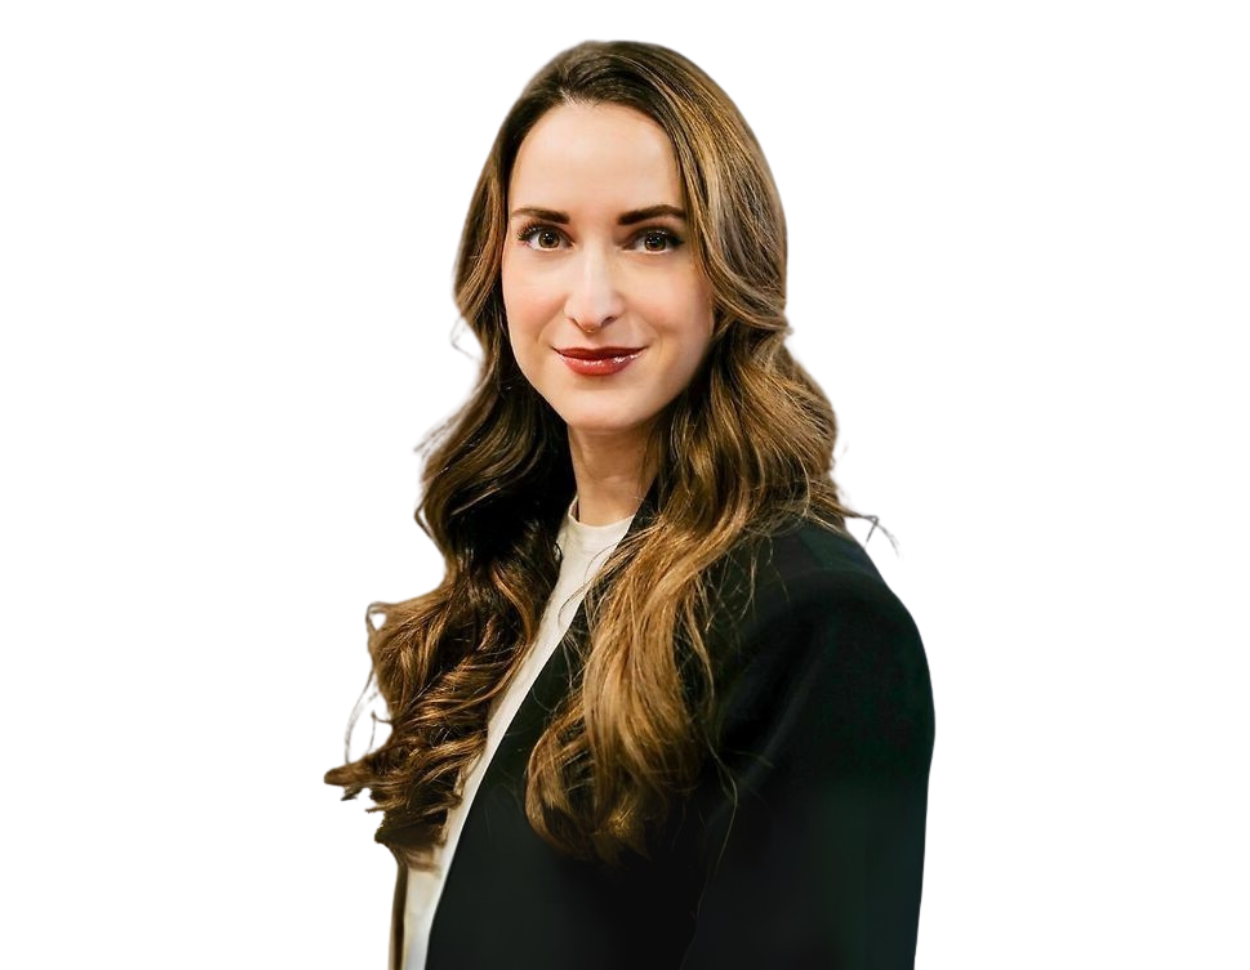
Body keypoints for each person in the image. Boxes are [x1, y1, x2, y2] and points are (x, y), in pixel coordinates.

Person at [323, 38, 932, 969]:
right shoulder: (505, 576)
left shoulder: (812, 620)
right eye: (547, 235)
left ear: (731, 270)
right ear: (496, 264)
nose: (592, 301)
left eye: (653, 238)